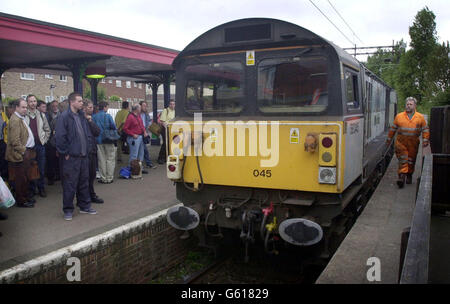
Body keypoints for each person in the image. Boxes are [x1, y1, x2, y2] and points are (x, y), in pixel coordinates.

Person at [55, 92, 96, 220]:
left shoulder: (81, 116)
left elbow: (86, 133)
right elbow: (60, 137)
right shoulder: (64, 117)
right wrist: (65, 153)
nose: (81, 103)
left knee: (84, 182)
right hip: (71, 157)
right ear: (72, 102)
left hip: (83, 156)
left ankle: (84, 206)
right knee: (70, 184)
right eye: (79, 101)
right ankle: (68, 210)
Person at [386, 97, 430, 188]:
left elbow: (425, 129)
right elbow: (393, 129)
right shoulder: (399, 116)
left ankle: (409, 175)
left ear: (414, 106)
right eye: (407, 104)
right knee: (403, 159)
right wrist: (389, 139)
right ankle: (401, 177)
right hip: (401, 142)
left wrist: (425, 140)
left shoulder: (420, 117)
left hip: (413, 143)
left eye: (410, 104)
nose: (408, 106)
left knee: (411, 161)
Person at [6, 98, 35, 208]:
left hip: (25, 153)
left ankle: (25, 197)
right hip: (20, 155)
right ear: (16, 108)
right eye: (23, 107)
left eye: (25, 107)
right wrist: (24, 152)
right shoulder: (15, 120)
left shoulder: (20, 118)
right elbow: (15, 141)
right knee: (21, 179)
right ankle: (21, 201)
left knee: (25, 178)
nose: (25, 109)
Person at [25, 95, 51, 198]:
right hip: (29, 147)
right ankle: (32, 189)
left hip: (40, 146)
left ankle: (41, 188)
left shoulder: (41, 115)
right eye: (30, 101)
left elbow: (47, 129)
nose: (33, 103)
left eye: (34, 101)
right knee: (30, 169)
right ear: (27, 103)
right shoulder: (24, 115)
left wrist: (44, 140)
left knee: (41, 168)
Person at [83, 99, 103, 204]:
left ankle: (91, 195)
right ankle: (85, 197)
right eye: (90, 107)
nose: (92, 109)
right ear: (84, 108)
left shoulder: (91, 119)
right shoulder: (79, 119)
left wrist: (90, 121)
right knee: (84, 177)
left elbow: (97, 132)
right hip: (83, 152)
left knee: (92, 175)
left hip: (92, 150)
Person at [92, 102, 117, 184]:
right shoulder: (108, 116)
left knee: (101, 159)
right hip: (108, 139)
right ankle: (109, 177)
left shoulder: (94, 117)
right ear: (105, 107)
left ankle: (103, 178)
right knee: (110, 158)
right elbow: (113, 126)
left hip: (98, 140)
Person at [122, 104, 147, 169]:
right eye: (139, 108)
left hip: (140, 136)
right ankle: (132, 169)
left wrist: (144, 131)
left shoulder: (138, 116)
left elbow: (141, 124)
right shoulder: (130, 117)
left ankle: (139, 168)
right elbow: (125, 128)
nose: (141, 109)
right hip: (134, 138)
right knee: (134, 155)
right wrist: (132, 134)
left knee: (141, 153)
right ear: (136, 109)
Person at [45, 100, 60, 185]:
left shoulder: (61, 115)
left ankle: (58, 175)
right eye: (53, 106)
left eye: (56, 106)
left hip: (58, 140)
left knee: (58, 160)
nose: (55, 108)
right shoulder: (47, 116)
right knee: (50, 160)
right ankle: (51, 178)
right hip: (50, 141)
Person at [158, 100, 176, 164]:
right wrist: (167, 128)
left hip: (173, 130)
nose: (172, 105)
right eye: (171, 104)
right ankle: (160, 158)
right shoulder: (166, 110)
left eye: (173, 104)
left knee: (170, 143)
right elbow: (162, 121)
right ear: (169, 105)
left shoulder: (175, 111)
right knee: (165, 143)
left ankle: (167, 157)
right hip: (165, 129)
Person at [139, 101, 156, 170]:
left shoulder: (146, 115)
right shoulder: (137, 114)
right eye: (144, 106)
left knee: (144, 149)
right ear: (140, 106)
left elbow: (148, 122)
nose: (145, 107)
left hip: (144, 133)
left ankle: (145, 163)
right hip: (138, 133)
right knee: (143, 149)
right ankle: (145, 164)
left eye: (146, 106)